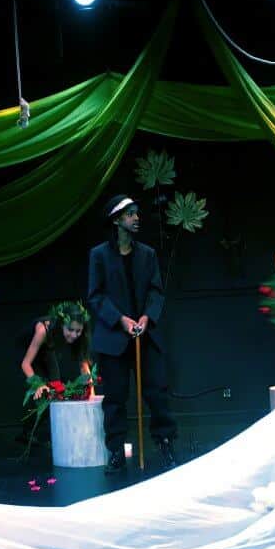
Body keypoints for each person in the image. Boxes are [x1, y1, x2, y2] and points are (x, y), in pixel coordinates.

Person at [88, 194, 178, 473]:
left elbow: (156, 291)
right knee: (115, 397)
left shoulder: (147, 255)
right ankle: (116, 451)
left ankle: (165, 443)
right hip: (113, 338)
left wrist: (146, 317)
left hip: (144, 335)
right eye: (130, 214)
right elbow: (96, 296)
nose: (137, 218)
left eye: (137, 213)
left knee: (157, 393)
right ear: (116, 220)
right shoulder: (99, 255)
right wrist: (121, 320)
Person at [17, 301, 94, 446]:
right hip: (28, 351)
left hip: (48, 347)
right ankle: (28, 432)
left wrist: (90, 388)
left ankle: (56, 431)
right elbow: (25, 364)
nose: (74, 335)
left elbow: (84, 364)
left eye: (78, 331)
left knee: (56, 385)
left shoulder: (80, 335)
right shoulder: (43, 329)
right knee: (44, 388)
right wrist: (38, 384)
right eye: (70, 330)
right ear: (61, 324)